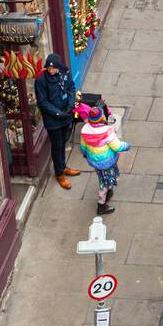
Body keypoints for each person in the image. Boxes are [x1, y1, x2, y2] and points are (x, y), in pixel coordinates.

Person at [34, 53, 79, 189]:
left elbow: (71, 88)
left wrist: (70, 105)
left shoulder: (65, 72)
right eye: (49, 68)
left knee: (64, 141)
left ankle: (63, 166)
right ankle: (59, 173)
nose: (51, 71)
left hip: (66, 114)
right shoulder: (41, 81)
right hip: (53, 119)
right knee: (57, 145)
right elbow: (43, 102)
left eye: (53, 68)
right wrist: (58, 113)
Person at [79, 104, 130, 216]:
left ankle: (109, 190)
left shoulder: (85, 130)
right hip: (107, 161)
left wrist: (86, 154)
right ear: (101, 117)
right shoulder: (107, 131)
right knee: (105, 183)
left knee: (103, 177)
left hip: (96, 162)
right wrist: (127, 146)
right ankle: (101, 205)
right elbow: (117, 146)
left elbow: (83, 147)